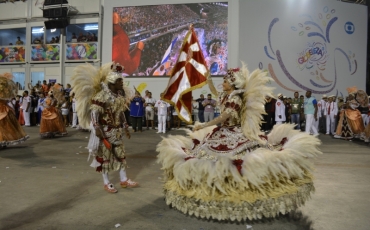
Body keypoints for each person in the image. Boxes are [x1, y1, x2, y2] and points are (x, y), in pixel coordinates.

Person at [157, 65, 322, 221]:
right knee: (202, 154)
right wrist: (209, 82)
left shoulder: (235, 99)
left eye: (225, 81)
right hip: (222, 132)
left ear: (233, 83)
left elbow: (223, 118)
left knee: (235, 161)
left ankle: (239, 192)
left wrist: (204, 125)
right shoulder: (226, 95)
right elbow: (216, 94)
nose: (223, 84)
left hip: (235, 133)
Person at [71, 62, 138, 193]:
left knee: (121, 155)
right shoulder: (101, 96)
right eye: (119, 81)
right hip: (105, 131)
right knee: (105, 158)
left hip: (117, 131)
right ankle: (107, 182)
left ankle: (123, 179)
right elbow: (94, 113)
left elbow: (121, 111)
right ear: (112, 83)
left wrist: (125, 126)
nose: (121, 83)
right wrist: (97, 128)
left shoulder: (119, 95)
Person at [0, 73, 29, 148]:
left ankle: (3, 141)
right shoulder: (6, 96)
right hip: (5, 111)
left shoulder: (5, 96)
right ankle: (3, 141)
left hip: (4, 112)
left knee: (5, 127)